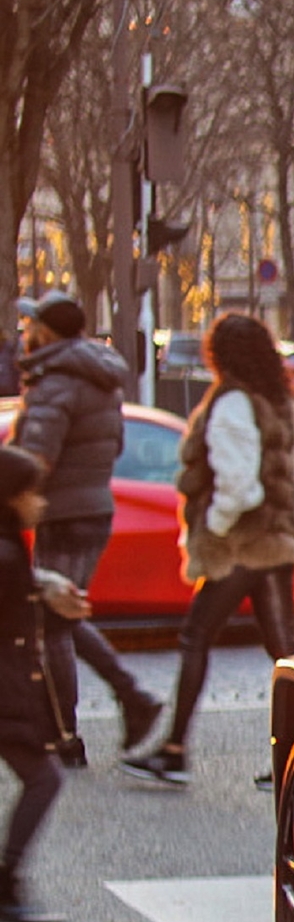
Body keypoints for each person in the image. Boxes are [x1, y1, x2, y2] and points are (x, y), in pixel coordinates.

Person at [123, 314, 294, 786]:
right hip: (276, 538)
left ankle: (175, 749)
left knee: (197, 637)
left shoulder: (231, 403)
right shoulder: (275, 397)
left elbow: (239, 488)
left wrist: (214, 529)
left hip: (243, 546)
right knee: (283, 649)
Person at [10, 293, 157, 765]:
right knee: (58, 616)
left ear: (46, 333)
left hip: (63, 514)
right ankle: (78, 725)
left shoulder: (56, 383)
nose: (23, 330)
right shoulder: (99, 377)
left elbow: (35, 458)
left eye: (29, 323)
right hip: (93, 507)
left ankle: (76, 729)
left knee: (55, 619)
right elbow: (112, 446)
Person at [0, 445, 88, 922]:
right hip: (6, 693)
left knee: (43, 778)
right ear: (11, 498)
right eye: (32, 493)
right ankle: (7, 879)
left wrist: (44, 587)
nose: (40, 503)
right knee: (44, 778)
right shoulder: (7, 553)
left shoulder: (11, 549)